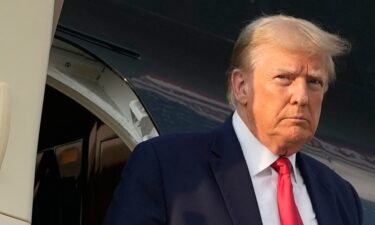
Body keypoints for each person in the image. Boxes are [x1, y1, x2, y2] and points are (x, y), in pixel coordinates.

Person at [105, 15, 363, 225]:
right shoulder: (165, 165)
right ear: (241, 86)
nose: (301, 96)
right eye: (284, 78)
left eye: (314, 82)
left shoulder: (340, 196)